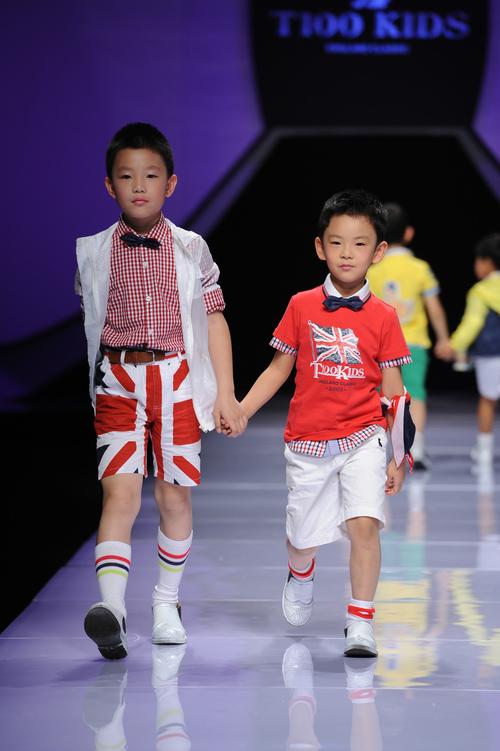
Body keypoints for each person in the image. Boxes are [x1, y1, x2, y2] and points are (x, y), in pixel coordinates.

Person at [75, 122, 247, 660]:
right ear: (110, 186)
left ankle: (166, 602)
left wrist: (226, 394)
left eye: (151, 176)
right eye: (127, 176)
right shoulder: (92, 251)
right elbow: (91, 316)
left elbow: (215, 320)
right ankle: (112, 609)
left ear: (170, 184)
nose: (139, 186)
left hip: (175, 380)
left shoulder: (191, 248)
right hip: (117, 380)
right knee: (119, 494)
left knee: (174, 495)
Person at [239, 189, 414, 657]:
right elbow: (277, 369)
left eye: (359, 244)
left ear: (378, 251)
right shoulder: (300, 305)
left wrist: (400, 455)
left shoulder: (385, 316)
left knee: (365, 525)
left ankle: (360, 621)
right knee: (302, 537)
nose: (347, 253)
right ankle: (300, 572)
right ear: (320, 247)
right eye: (336, 242)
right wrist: (242, 409)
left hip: (364, 437)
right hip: (308, 440)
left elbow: (395, 393)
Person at [367, 203, 449, 470]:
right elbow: (434, 308)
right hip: (413, 343)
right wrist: (444, 339)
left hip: (378, 346)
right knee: (415, 395)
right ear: (409, 233)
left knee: (380, 397)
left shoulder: (372, 269)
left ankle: (381, 449)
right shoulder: (420, 268)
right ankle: (417, 449)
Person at [436, 232, 500, 467]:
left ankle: (484, 451)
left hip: (491, 355)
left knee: (488, 400)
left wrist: (453, 346)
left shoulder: (481, 291)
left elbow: (472, 324)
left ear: (486, 262)